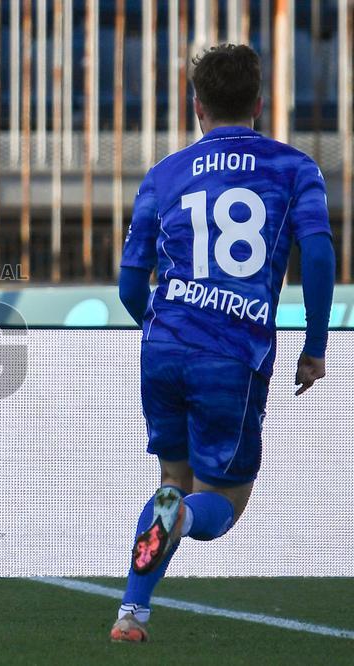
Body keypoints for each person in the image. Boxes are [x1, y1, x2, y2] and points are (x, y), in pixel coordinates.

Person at [110, 43, 335, 642]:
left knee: (171, 482)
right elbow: (316, 250)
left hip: (165, 346)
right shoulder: (294, 169)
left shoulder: (165, 174)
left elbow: (131, 282)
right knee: (218, 508)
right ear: (259, 103)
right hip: (232, 355)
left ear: (196, 106)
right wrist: (315, 346)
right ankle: (177, 523)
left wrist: (162, 330)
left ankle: (133, 611)